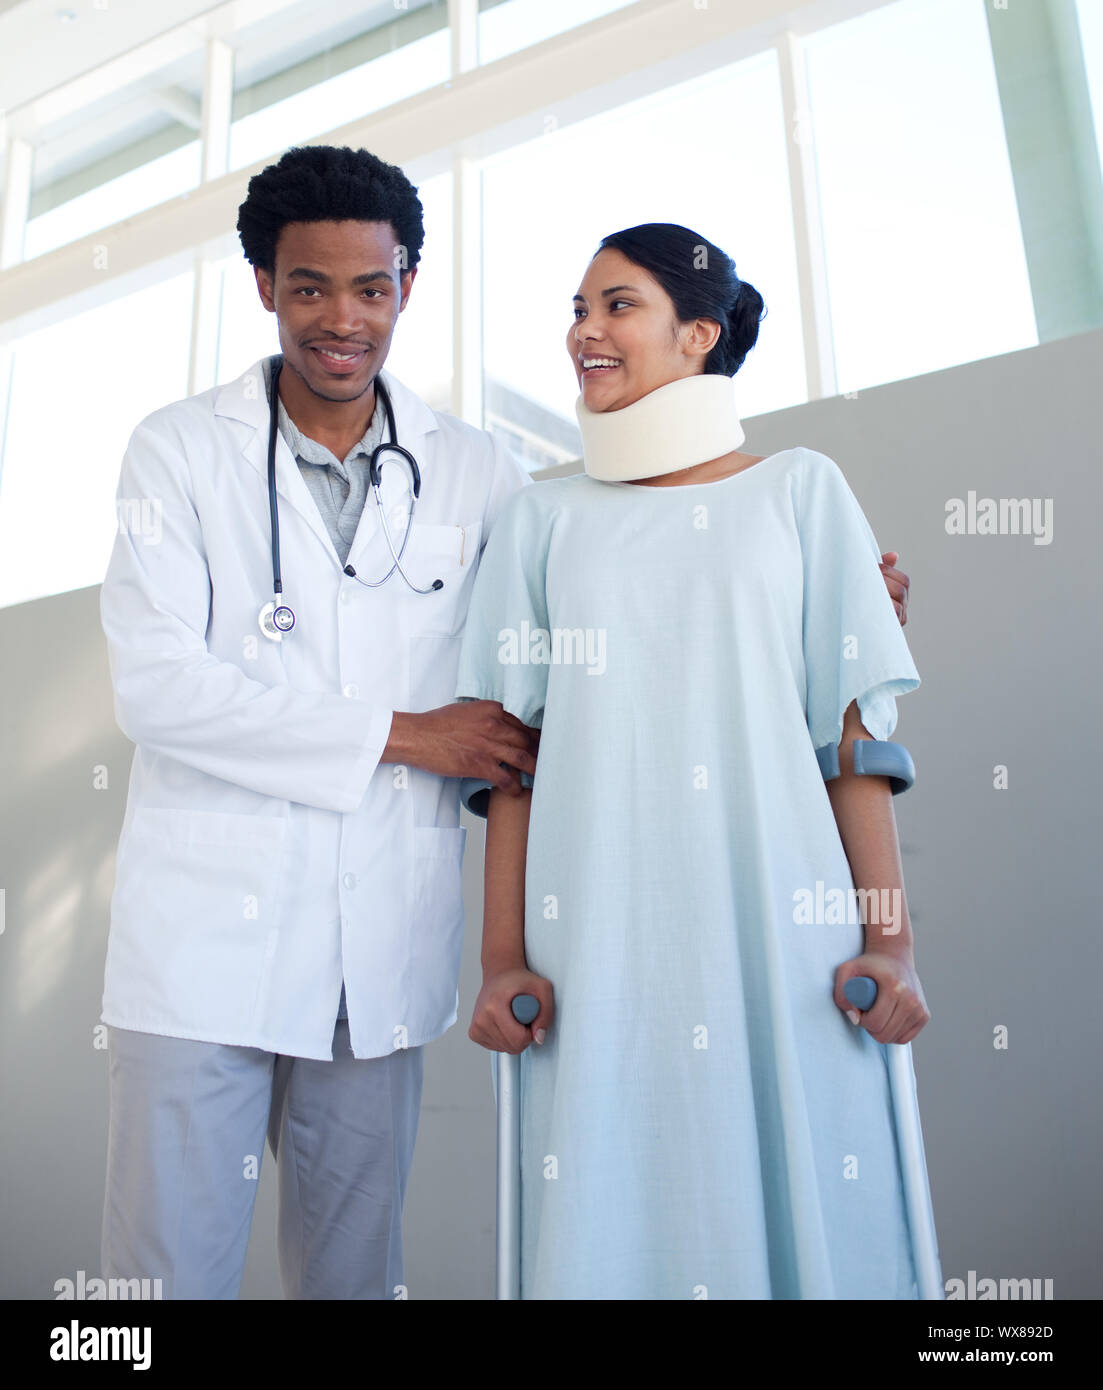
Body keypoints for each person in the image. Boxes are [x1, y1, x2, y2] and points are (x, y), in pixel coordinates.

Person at [97, 144, 539, 1300]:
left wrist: (804, 582)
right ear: (264, 286)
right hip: (200, 950)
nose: (342, 320)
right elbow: (157, 686)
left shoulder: (477, 471)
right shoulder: (178, 450)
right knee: (160, 1286)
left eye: (370, 288)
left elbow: (580, 608)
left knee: (353, 1280)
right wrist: (407, 733)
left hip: (377, 949)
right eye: (310, 287)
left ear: (406, 287)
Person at [457, 222, 928, 1299]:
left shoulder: (800, 490)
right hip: (595, 939)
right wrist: (499, 961)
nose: (584, 330)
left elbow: (852, 743)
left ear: (697, 334)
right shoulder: (540, 519)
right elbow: (509, 763)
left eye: (616, 305)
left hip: (783, 924)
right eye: (577, 310)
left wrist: (891, 944)